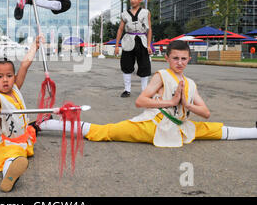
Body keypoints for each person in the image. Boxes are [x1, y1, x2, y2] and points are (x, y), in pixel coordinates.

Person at [37, 41, 257, 147]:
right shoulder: (162, 75)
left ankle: (254, 132)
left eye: (183, 58)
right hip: (153, 125)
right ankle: (49, 125)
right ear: (168, 58)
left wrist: (186, 105)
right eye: (175, 58)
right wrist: (171, 101)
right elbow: (141, 101)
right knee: (105, 132)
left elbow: (206, 113)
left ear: (189, 59)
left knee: (214, 129)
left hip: (181, 127)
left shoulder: (190, 82)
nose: (179, 62)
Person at [0, 36, 42, 192]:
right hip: (10, 142)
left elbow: (24, 65)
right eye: (0, 77)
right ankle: (8, 176)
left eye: (9, 76)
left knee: (19, 153)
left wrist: (34, 47)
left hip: (24, 138)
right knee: (10, 158)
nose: (5, 80)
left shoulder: (15, 88)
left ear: (14, 77)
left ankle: (14, 167)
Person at [114, 0, 152, 98]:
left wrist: (149, 45)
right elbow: (120, 29)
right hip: (128, 40)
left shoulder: (146, 12)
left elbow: (149, 29)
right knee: (126, 65)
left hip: (142, 40)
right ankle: (127, 90)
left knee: (144, 65)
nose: (133, 0)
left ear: (140, 0)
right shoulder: (124, 14)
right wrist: (117, 46)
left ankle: (145, 91)